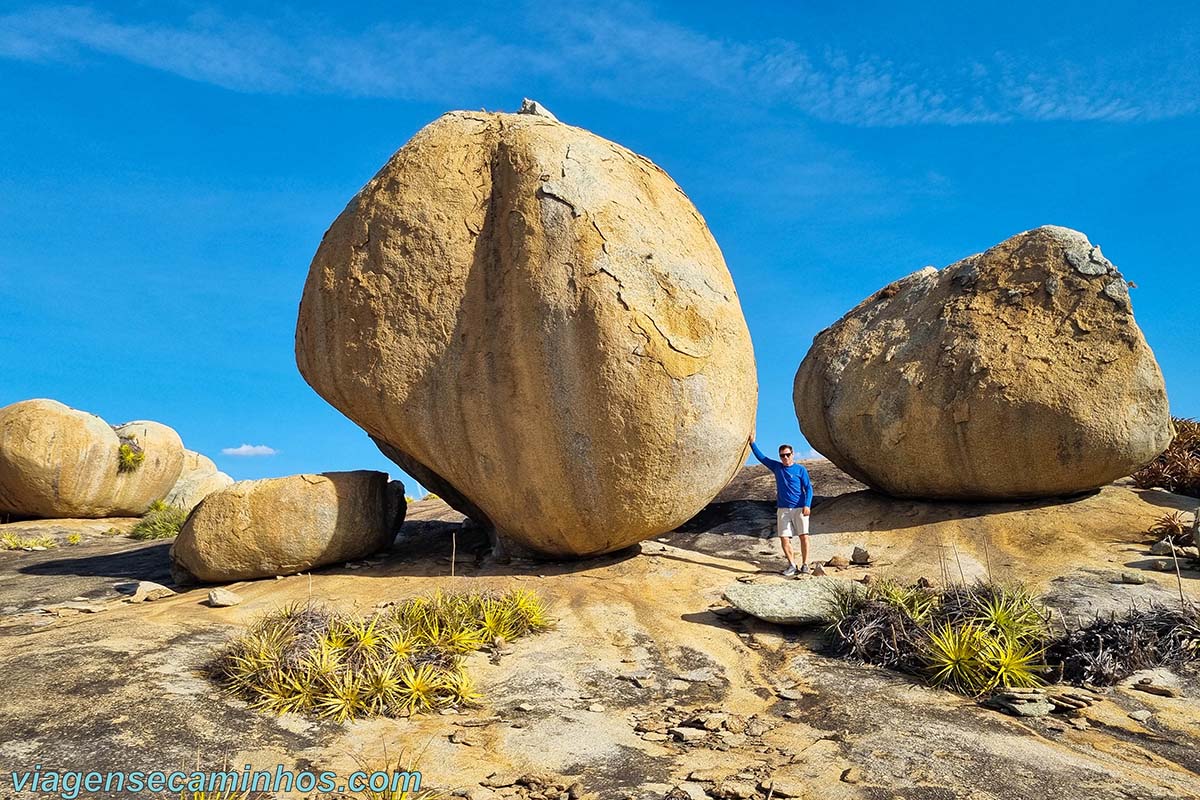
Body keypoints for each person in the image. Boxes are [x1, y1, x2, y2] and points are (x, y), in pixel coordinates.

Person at [750, 435, 814, 576]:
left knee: (804, 536)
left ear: (793, 454)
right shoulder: (777, 467)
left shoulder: (800, 469)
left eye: (787, 455)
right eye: (782, 456)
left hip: (799, 508)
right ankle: (791, 565)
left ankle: (805, 564)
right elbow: (762, 458)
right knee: (784, 538)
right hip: (783, 509)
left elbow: (808, 488)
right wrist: (752, 443)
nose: (785, 458)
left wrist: (807, 505)